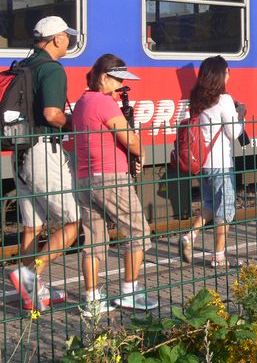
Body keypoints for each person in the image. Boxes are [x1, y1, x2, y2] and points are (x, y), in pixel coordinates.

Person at [73, 54, 158, 316]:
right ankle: (129, 291)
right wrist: (140, 153)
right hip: (110, 177)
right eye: (117, 79)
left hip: (84, 179)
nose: (120, 84)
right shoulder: (104, 103)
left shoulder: (81, 102)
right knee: (138, 231)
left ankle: (92, 299)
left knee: (94, 239)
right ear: (103, 77)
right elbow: (129, 139)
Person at [7, 16, 79, 312]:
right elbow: (52, 114)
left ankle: (31, 292)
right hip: (42, 151)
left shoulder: (24, 66)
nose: (69, 41)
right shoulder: (51, 69)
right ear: (55, 39)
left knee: (31, 227)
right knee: (75, 221)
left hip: (19, 151)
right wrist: (74, 123)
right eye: (66, 36)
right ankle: (28, 275)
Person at [179, 56, 245, 269]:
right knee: (225, 210)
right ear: (220, 75)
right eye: (227, 71)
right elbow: (234, 132)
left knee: (209, 204)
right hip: (221, 163)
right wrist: (240, 114)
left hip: (201, 163)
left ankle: (190, 236)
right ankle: (218, 256)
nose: (229, 75)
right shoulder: (224, 100)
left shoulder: (196, 99)